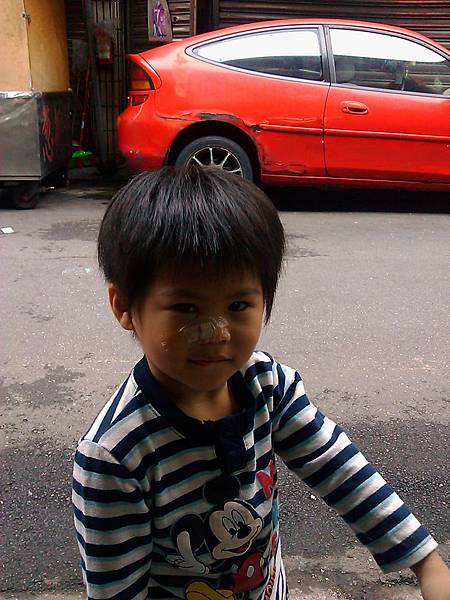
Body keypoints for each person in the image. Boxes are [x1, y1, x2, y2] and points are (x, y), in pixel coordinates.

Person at [72, 166, 449, 600]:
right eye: (185, 307)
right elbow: (117, 590)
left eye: (237, 305)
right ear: (124, 306)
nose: (216, 333)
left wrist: (427, 562)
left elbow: (339, 468)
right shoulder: (114, 457)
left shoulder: (267, 386)